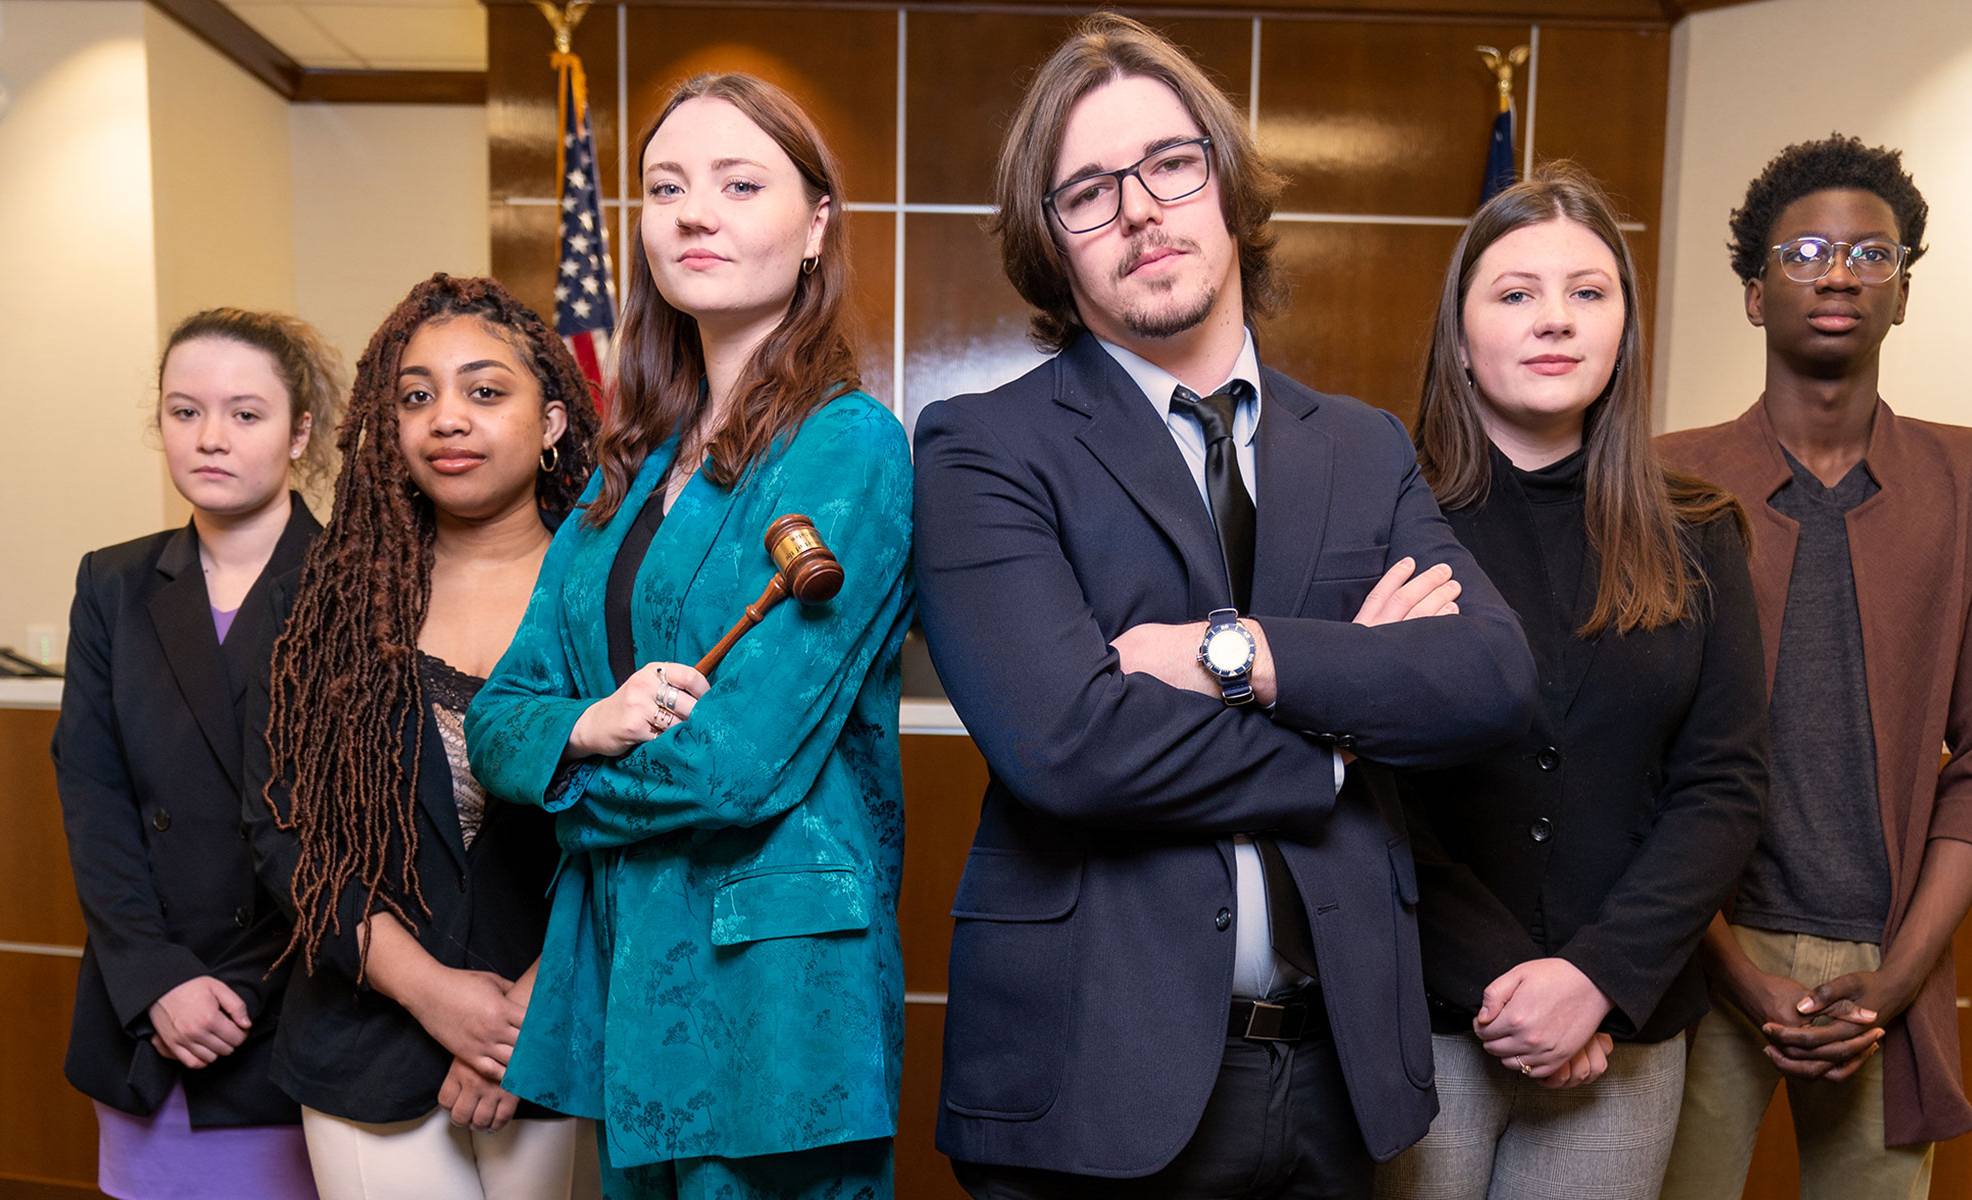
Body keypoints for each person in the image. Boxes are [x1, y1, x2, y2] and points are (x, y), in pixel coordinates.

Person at [912, 15, 1539, 1197]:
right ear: (1052, 246)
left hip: (1343, 1077)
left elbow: (1490, 679)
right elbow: (1071, 745)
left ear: (1228, 183)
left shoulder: (1363, 446)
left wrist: (1234, 653)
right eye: (1087, 193)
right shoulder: (981, 448)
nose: (1140, 210)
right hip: (1091, 1081)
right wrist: (1343, 740)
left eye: (1169, 164)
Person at [463, 73, 913, 1200]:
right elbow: (497, 717)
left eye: (738, 182)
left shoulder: (847, 445)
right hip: (627, 977)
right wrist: (589, 722)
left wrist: (565, 784)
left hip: (773, 1000)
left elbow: (733, 766)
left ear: (815, 226)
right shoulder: (629, 468)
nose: (693, 211)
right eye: (666, 187)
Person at [1657, 134, 1972, 1200]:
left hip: (1892, 952)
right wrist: (1736, 971)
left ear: (1904, 293)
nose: (1839, 273)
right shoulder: (1667, 481)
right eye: (1808, 252)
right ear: (1753, 292)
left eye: (1872, 255)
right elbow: (1631, 758)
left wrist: (1899, 981)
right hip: (1702, 947)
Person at [1370, 164, 1767, 1200]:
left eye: (1588, 293)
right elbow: (1366, 781)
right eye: (1515, 293)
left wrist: (1594, 981)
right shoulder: (1375, 522)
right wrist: (1507, 984)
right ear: (1460, 337)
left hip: (1624, 1027)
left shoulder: (1701, 533)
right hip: (1421, 1016)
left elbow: (1722, 785)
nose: (1555, 320)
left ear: (1624, 329)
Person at [245, 274, 603, 1200]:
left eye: (486, 392)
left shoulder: (613, 595)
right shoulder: (324, 601)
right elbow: (283, 831)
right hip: (368, 1040)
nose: (448, 418)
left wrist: (522, 1010)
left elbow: (650, 827)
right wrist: (434, 995)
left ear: (554, 421)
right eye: (417, 396)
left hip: (561, 1033)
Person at [54, 307, 342, 1200]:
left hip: (290, 1013)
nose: (210, 438)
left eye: (245, 414)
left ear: (300, 434)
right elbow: (94, 798)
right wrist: (156, 978)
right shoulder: (115, 581)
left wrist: (241, 987)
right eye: (185, 411)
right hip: (146, 1010)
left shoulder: (356, 588)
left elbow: (355, 835)